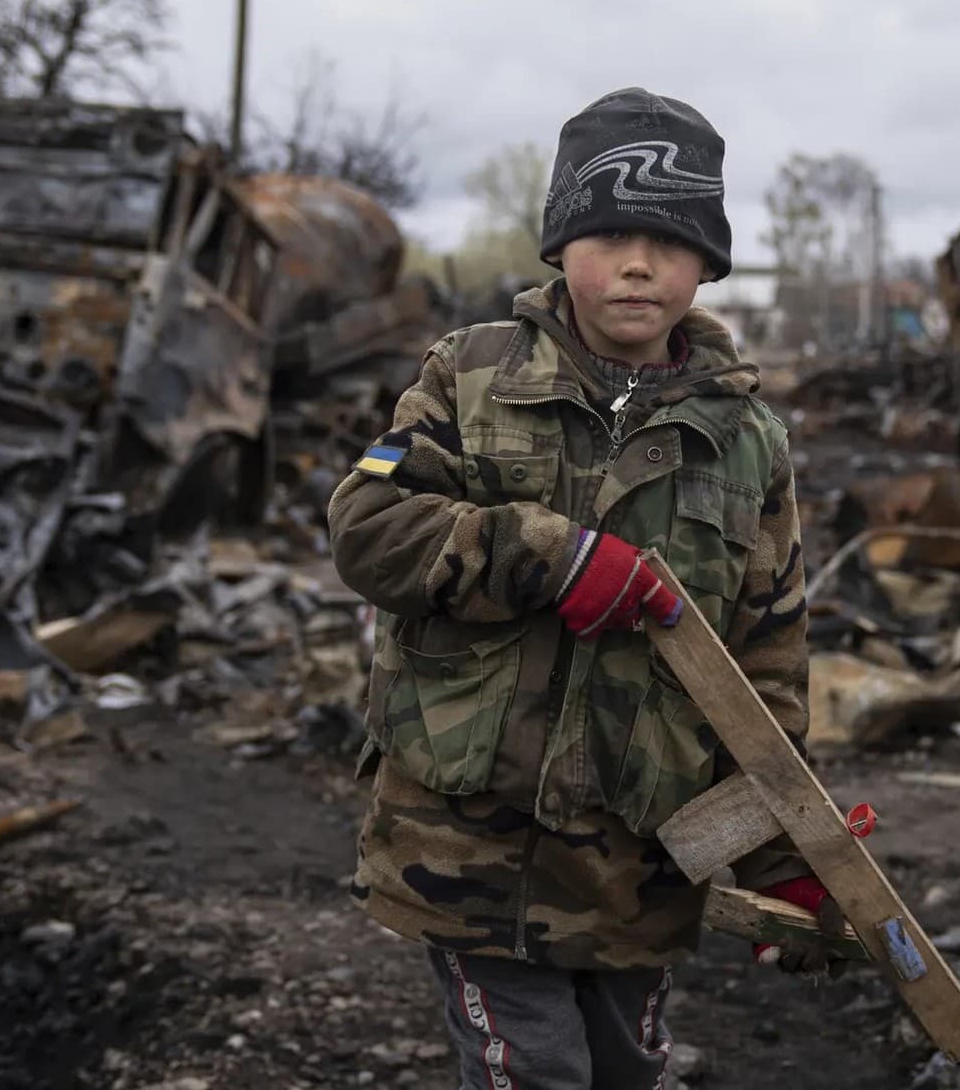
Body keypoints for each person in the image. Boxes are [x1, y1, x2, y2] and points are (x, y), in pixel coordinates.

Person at [327, 87, 828, 1090]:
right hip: (465, 842)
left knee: (623, 1068)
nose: (638, 263)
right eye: (608, 232)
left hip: (633, 864)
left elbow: (764, 658)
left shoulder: (746, 443)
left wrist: (784, 856)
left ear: (708, 261)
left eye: (670, 239)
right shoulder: (467, 375)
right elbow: (367, 526)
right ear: (561, 244)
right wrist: (545, 555)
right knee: (533, 1069)